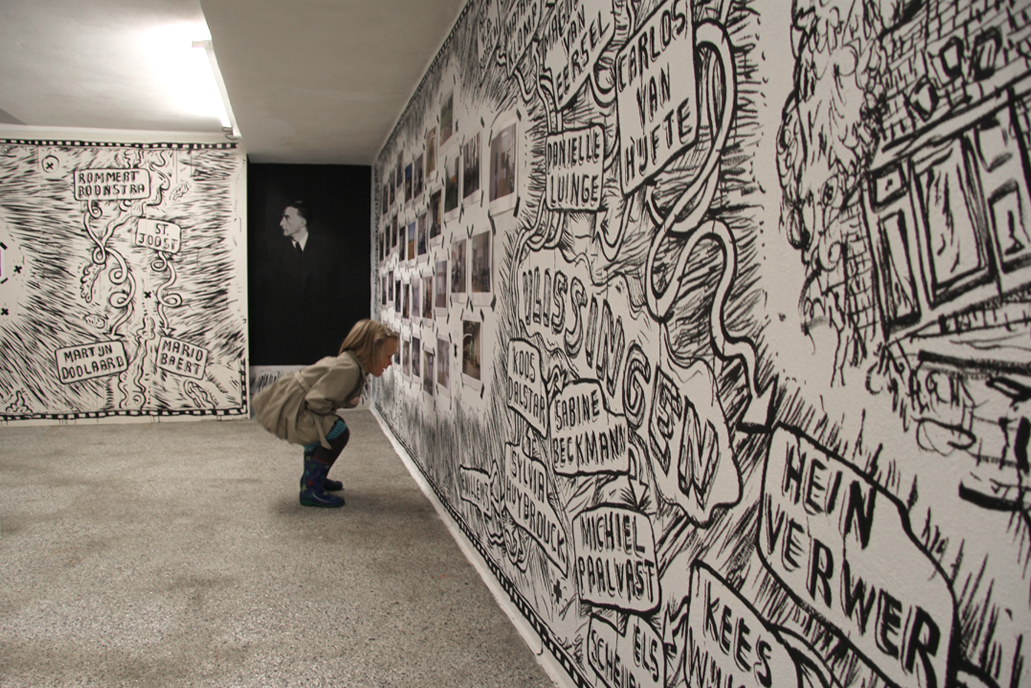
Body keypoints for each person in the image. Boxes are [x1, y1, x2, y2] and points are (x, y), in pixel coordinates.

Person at [252, 320, 399, 508]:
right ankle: (311, 487)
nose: (390, 362)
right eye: (388, 356)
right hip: (293, 411)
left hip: (295, 406)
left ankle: (313, 478)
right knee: (338, 432)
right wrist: (333, 410)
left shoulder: (351, 363)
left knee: (329, 428)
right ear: (371, 351)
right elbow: (316, 401)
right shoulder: (350, 369)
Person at [255, 200, 344, 364]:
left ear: (302, 222)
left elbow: (334, 293)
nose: (281, 223)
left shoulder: (325, 248)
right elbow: (270, 297)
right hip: (286, 341)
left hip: (320, 340)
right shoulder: (275, 253)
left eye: (287, 218)